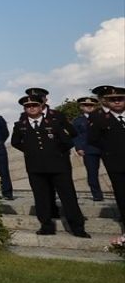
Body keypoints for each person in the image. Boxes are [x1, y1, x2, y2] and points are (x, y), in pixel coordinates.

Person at [12, 95, 89, 237]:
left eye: (35, 105)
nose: (32, 108)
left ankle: (77, 228)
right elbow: (15, 142)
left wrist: (55, 152)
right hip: (35, 167)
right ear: (24, 109)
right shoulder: (20, 125)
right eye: (28, 106)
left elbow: (68, 142)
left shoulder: (54, 122)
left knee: (68, 196)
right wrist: (31, 151)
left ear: (41, 107)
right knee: (41, 197)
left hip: (58, 166)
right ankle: (46, 226)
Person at [86, 85, 125, 233]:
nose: (116, 102)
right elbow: (93, 139)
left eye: (120, 98)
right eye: (112, 100)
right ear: (106, 102)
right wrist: (109, 150)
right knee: (122, 195)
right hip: (116, 162)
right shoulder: (99, 118)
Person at [72, 96, 106, 202]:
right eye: (86, 105)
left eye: (91, 105)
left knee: (115, 172)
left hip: (105, 148)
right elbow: (76, 135)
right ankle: (97, 195)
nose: (89, 107)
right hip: (89, 149)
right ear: (81, 107)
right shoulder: (78, 120)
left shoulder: (103, 117)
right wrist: (78, 148)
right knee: (92, 173)